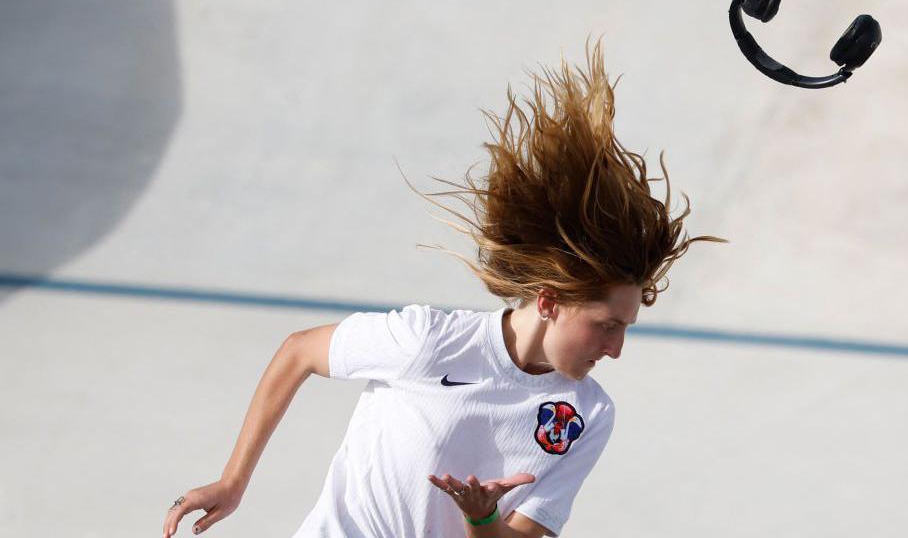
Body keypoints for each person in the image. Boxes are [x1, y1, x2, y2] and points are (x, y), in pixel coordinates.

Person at [162, 38, 725, 538]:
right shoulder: (429, 341)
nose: (616, 348)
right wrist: (233, 482)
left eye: (624, 330)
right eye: (607, 326)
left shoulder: (588, 415)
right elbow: (298, 352)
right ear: (550, 302)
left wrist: (482, 520)